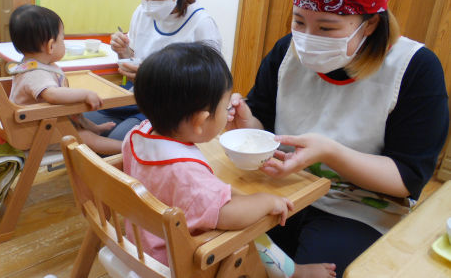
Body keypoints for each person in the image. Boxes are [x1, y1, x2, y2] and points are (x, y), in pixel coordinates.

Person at [227, 0, 449, 277]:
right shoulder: (288, 51)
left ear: (370, 23)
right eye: (299, 21)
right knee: (226, 250)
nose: (307, 37)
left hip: (358, 206)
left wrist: (331, 153)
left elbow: (406, 177)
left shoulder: (415, 69)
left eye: (326, 27)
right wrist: (247, 120)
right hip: (283, 188)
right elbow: (265, 125)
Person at [122, 42, 336, 278]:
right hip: (174, 262)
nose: (228, 112)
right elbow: (227, 216)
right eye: (225, 107)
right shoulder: (186, 173)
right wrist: (266, 201)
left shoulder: (136, 135)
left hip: (140, 241)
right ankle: (294, 274)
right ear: (200, 121)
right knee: (253, 235)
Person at [85, 0, 222, 141]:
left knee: (114, 143)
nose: (148, 1)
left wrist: (154, 78)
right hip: (137, 96)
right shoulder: (142, 13)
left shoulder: (201, 24)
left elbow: (210, 86)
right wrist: (124, 52)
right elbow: (135, 58)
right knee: (82, 121)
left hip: (171, 108)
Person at [7, 4, 122, 155]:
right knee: (85, 138)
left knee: (74, 114)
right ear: (50, 46)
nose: (64, 42)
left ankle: (93, 128)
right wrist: (85, 94)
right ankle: (127, 149)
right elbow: (53, 95)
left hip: (41, 121)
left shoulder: (32, 64)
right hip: (33, 132)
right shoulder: (35, 73)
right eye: (63, 38)